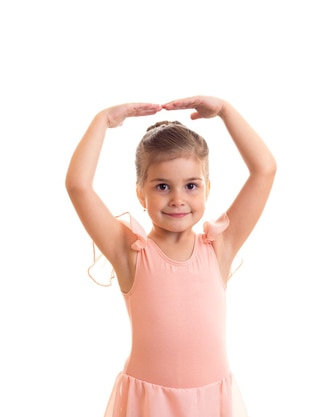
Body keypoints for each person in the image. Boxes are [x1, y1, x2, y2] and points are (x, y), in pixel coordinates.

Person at [65, 95, 276, 417]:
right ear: (141, 193)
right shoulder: (130, 253)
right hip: (149, 405)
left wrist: (225, 112)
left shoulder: (219, 248)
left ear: (207, 188)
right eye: (162, 187)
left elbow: (264, 170)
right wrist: (103, 120)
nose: (178, 199)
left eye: (191, 186)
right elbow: (78, 185)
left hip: (211, 402)